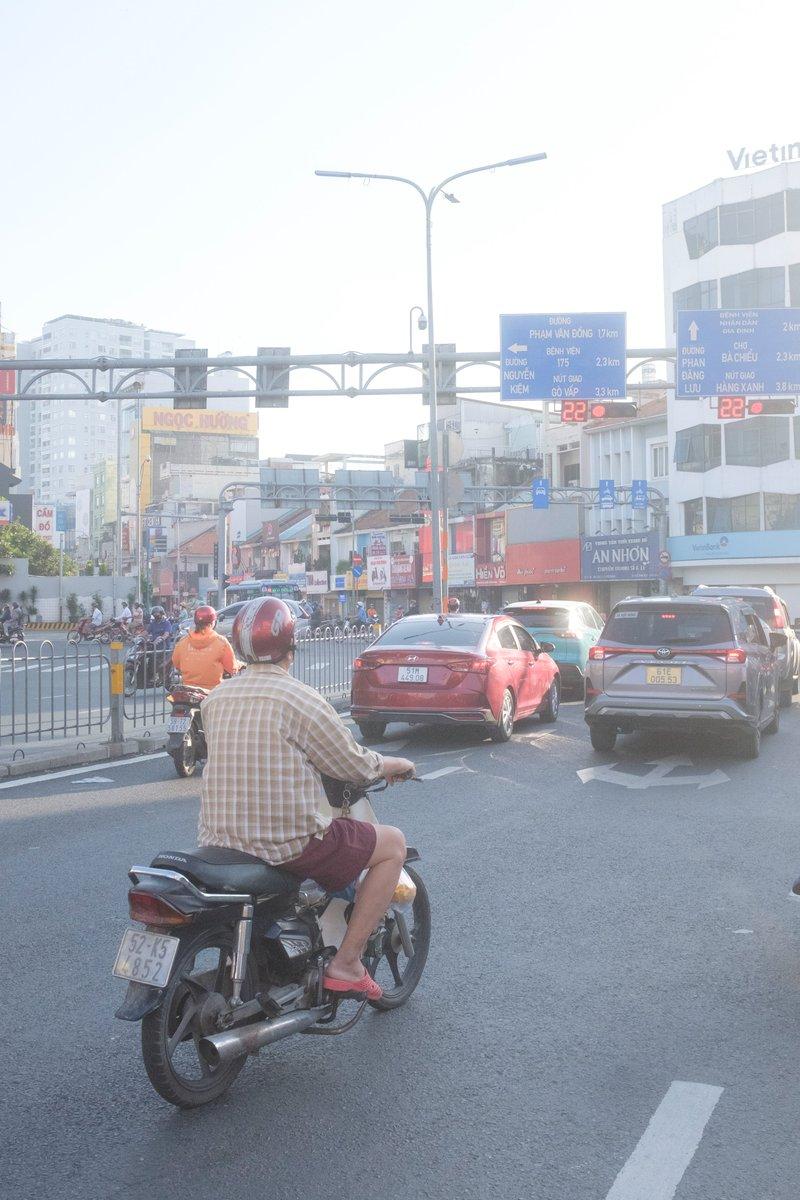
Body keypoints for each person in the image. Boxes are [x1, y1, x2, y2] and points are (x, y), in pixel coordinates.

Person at [199, 597, 415, 1001]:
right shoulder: (300, 699)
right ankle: (347, 964)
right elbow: (352, 764)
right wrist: (394, 763)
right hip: (285, 844)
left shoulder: (215, 700)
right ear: (291, 647)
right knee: (394, 845)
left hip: (220, 842)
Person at [172, 605, 238, 690]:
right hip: (212, 691)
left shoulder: (183, 641)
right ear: (213, 622)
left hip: (188, 690)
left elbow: (176, 663)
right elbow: (231, 668)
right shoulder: (221, 642)